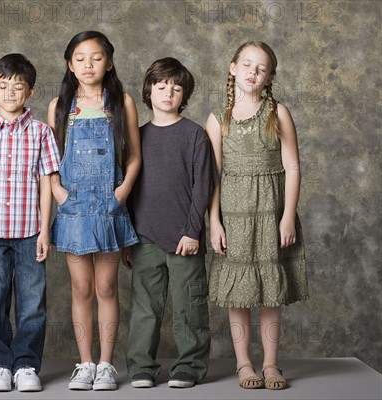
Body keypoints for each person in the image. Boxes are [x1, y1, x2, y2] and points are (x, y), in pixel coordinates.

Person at [206, 41, 309, 390]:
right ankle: (244, 363)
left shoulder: (278, 112)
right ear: (233, 68)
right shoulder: (217, 118)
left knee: (269, 291)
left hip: (271, 211)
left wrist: (288, 216)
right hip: (234, 214)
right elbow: (214, 175)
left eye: (261, 68)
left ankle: (270, 363)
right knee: (239, 292)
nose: (253, 72)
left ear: (269, 77)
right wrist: (214, 221)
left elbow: (292, 166)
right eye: (247, 65)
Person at [48, 30, 141, 391]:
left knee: (106, 287)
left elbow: (134, 156)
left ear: (110, 62)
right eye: (81, 58)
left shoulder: (122, 102)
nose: (89, 64)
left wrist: (123, 190)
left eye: (97, 57)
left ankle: (106, 365)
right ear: (70, 65)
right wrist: (57, 189)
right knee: (81, 288)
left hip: (108, 207)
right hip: (73, 209)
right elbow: (51, 156)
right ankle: (84, 362)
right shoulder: (59, 106)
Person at [0, 53, 60, 393]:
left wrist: (45, 231)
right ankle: (1, 364)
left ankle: (27, 364)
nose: (9, 93)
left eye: (17, 87)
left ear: (30, 92)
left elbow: (46, 183)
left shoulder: (41, 132)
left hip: (30, 232)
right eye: (3, 87)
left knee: (32, 303)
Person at [124, 57, 214, 389]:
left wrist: (193, 231)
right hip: (144, 237)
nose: (168, 92)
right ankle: (141, 366)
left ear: (184, 94)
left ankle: (189, 364)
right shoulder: (136, 136)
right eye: (161, 85)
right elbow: (128, 188)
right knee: (145, 307)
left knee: (190, 305)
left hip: (184, 239)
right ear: (149, 90)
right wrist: (128, 236)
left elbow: (202, 186)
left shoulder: (195, 135)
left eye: (176, 87)